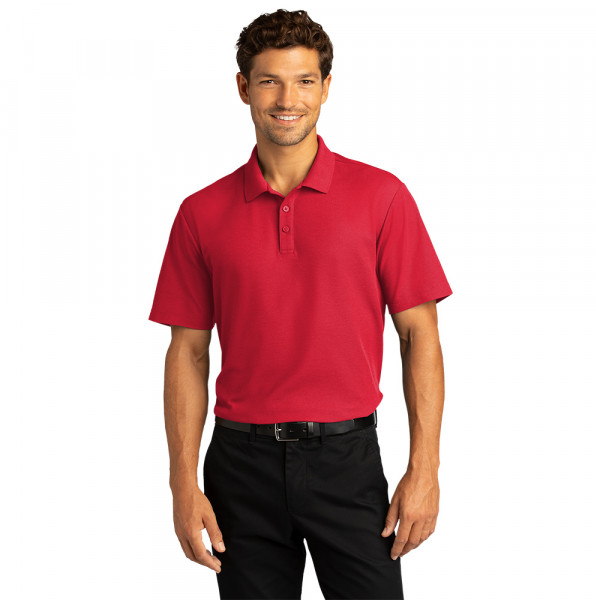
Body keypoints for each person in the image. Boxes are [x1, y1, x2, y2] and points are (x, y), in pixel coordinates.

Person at [148, 8, 453, 599]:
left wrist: (426, 469)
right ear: (244, 88)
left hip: (348, 458)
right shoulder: (200, 213)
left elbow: (420, 335)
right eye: (270, 81)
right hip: (240, 465)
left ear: (326, 87)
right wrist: (181, 482)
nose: (288, 99)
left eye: (304, 81)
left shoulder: (382, 196)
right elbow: (187, 351)